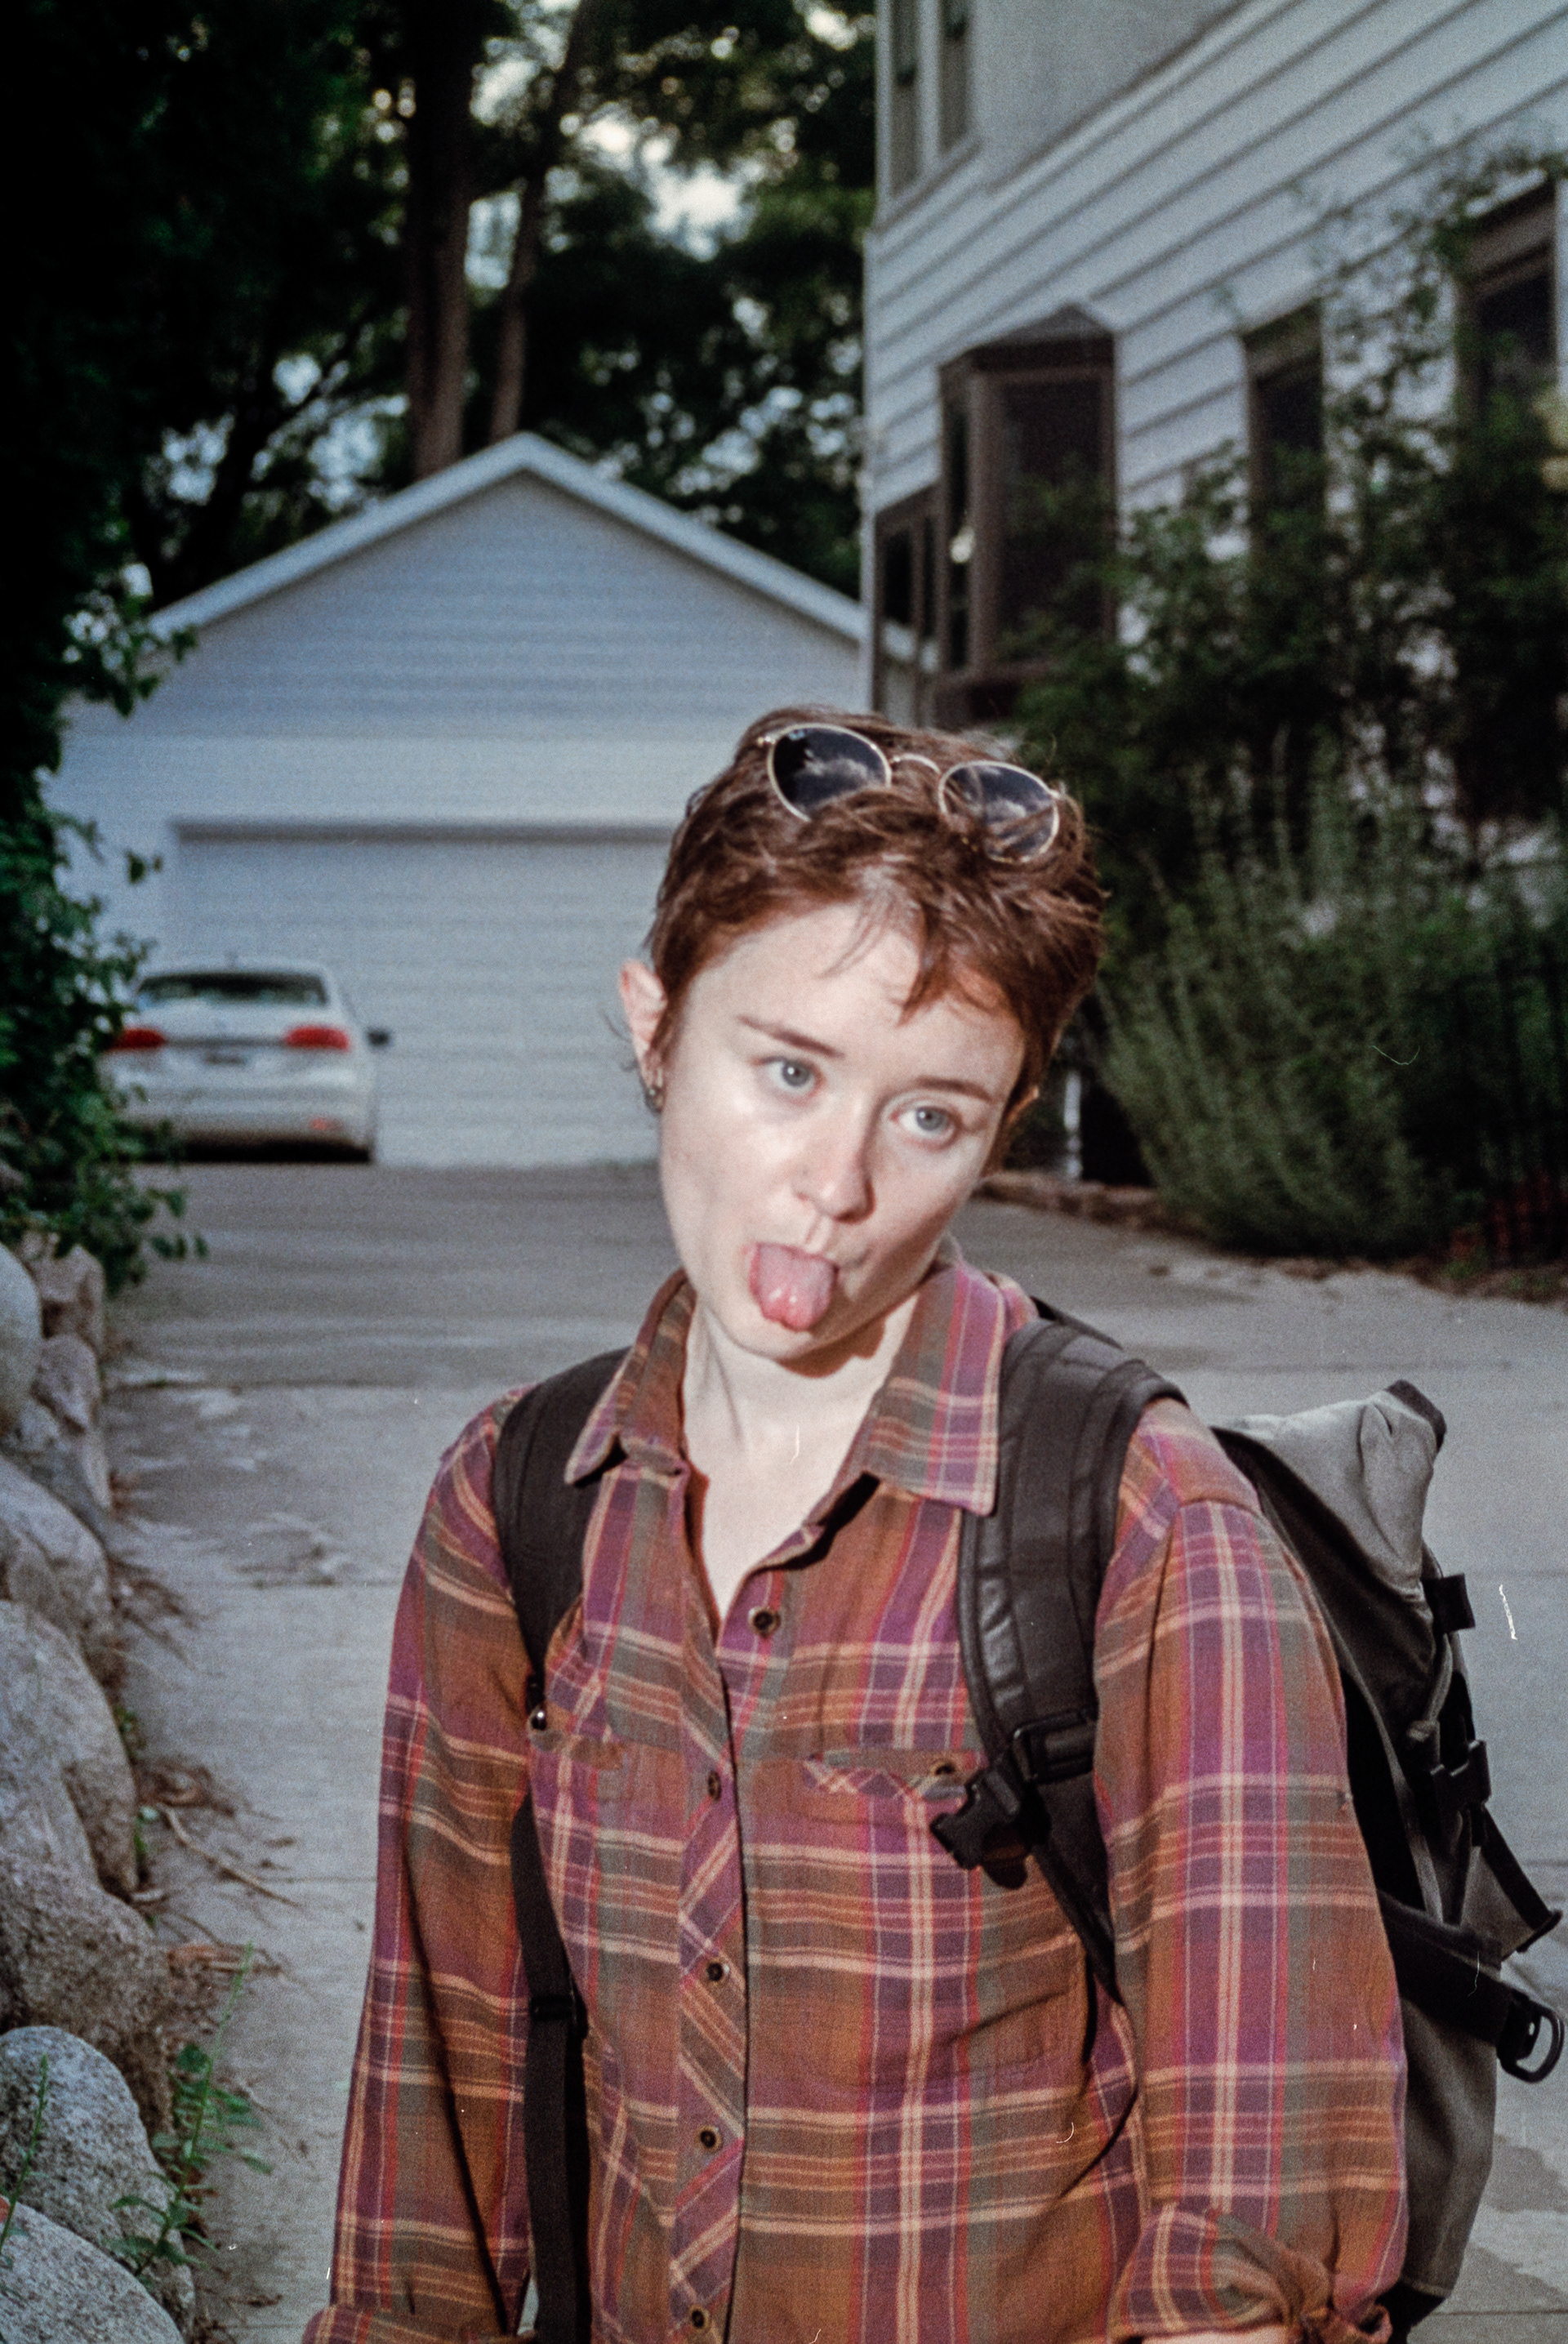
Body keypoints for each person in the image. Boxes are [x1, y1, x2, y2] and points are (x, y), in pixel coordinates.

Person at [304, 711, 1406, 2344]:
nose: (836, 1182)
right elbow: (432, 2107)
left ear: (1001, 1125)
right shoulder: (517, 1501)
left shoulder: (1143, 1521)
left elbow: (1256, 2224)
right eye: (791, 1070)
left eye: (929, 1115)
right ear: (657, 1028)